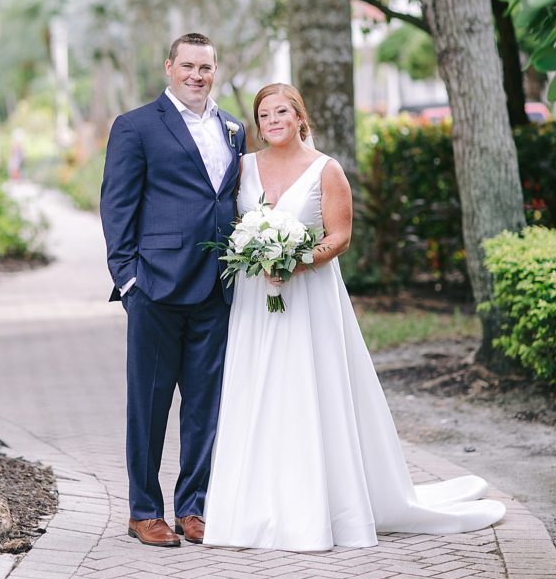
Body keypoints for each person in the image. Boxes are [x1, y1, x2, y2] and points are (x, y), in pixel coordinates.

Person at [203, 83, 505, 552]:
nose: (273, 121)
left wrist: (292, 261)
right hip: (255, 299)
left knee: (309, 387)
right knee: (257, 388)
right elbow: (235, 227)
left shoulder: (327, 169)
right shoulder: (243, 168)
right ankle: (252, 507)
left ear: (301, 116)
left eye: (282, 111)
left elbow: (339, 237)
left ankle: (319, 506)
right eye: (264, 115)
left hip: (309, 295)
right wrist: (256, 255)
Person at [100, 33, 246, 548]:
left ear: (214, 70)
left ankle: (194, 507)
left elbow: (227, 198)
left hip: (216, 286)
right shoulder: (136, 126)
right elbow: (116, 207)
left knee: (205, 404)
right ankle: (144, 511)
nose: (196, 76)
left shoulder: (234, 128)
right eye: (187, 66)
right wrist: (129, 279)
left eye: (205, 67)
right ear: (169, 67)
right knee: (150, 404)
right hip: (156, 287)